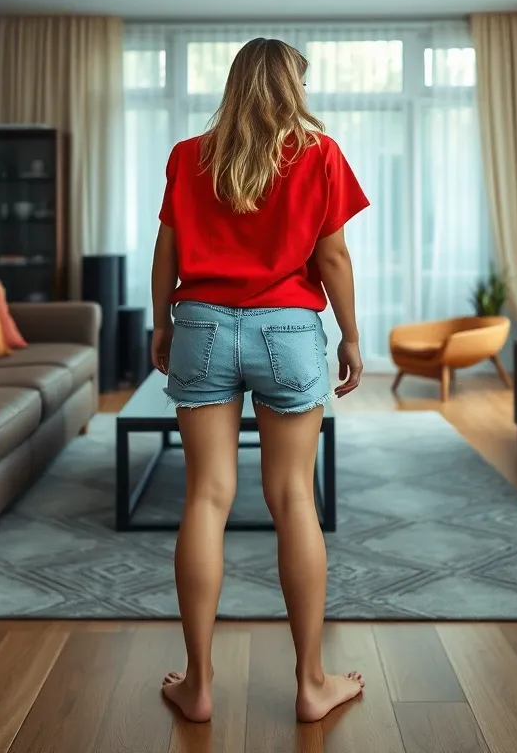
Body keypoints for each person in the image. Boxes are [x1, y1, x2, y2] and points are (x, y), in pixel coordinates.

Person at [150, 37, 369, 724]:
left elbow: (168, 251)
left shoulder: (190, 156)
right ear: (292, 86)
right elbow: (331, 257)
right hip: (288, 331)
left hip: (204, 326)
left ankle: (199, 684)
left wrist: (162, 324)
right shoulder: (319, 154)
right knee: (293, 498)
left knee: (207, 499)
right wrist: (352, 335)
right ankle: (310, 684)